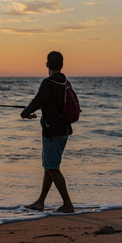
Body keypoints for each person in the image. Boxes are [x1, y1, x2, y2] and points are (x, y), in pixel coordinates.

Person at [21, 51, 74, 213]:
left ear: (47, 65)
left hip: (53, 131)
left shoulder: (48, 83)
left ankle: (68, 204)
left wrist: (25, 112)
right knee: (49, 166)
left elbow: (38, 101)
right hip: (64, 129)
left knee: (52, 168)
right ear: (62, 65)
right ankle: (40, 202)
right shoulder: (66, 82)